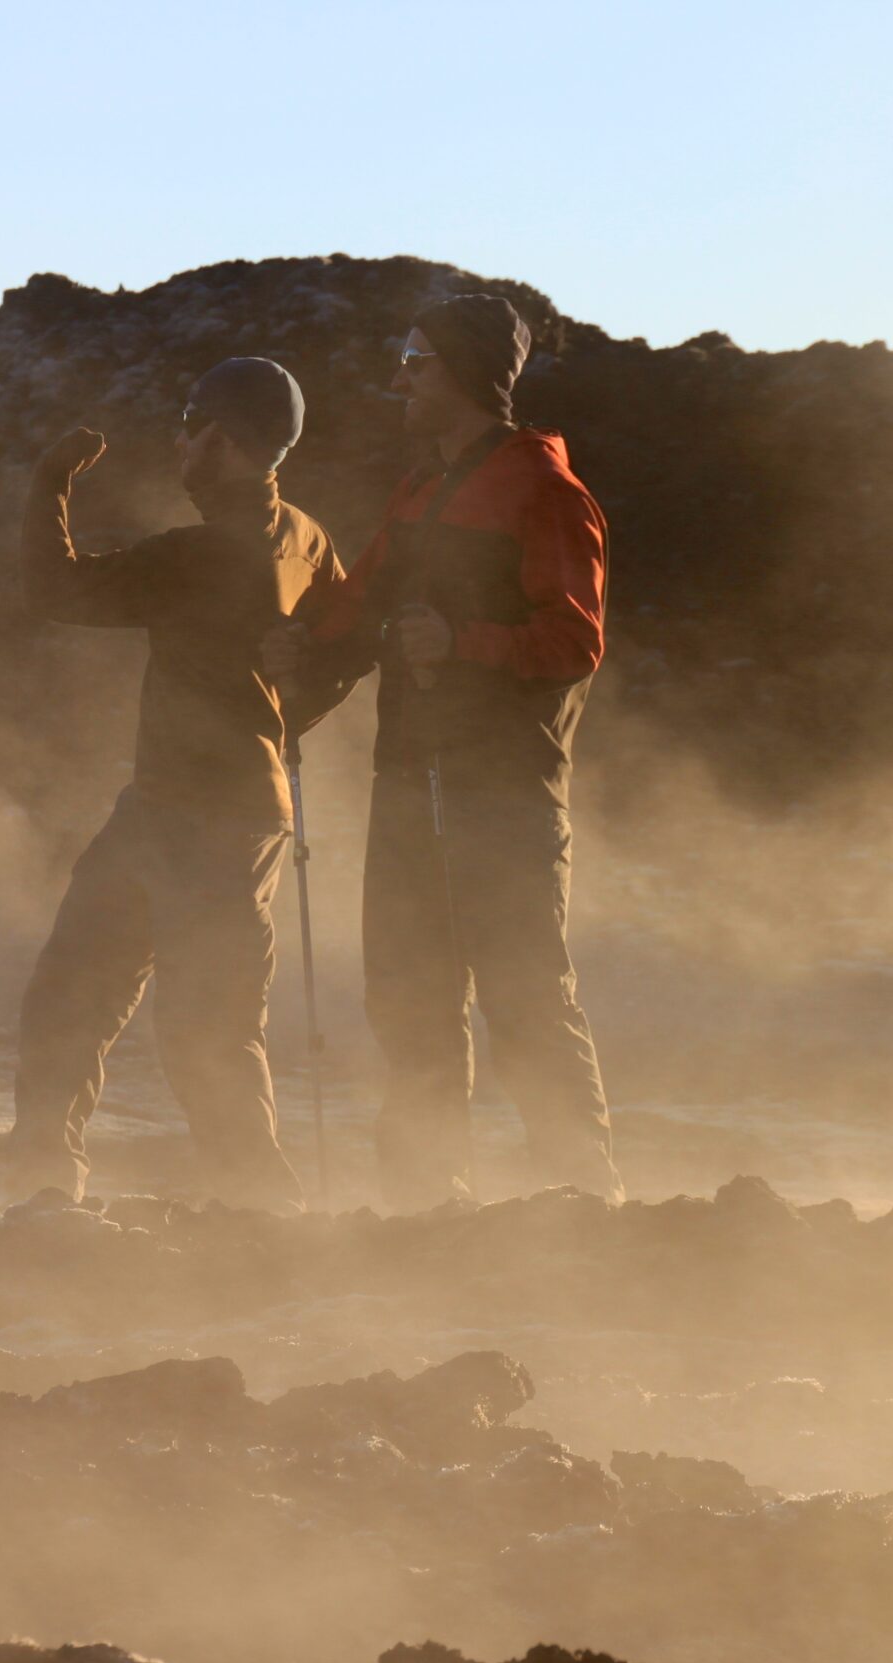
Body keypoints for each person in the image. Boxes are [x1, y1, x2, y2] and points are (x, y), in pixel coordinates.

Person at [263, 295, 624, 1211]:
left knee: (526, 1001)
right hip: (407, 777)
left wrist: (461, 643)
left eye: (415, 361)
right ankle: (429, 1208)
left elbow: (577, 641)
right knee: (409, 999)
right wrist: (297, 646)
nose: (399, 378)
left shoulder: (546, 492)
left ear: (463, 372)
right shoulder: (423, 488)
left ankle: (590, 1211)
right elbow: (360, 598)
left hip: (503, 792)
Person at [4, 357, 350, 1213]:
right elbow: (348, 642)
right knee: (183, 1022)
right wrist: (292, 700)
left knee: (128, 1012)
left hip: (194, 815)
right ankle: (250, 1214)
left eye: (190, 423)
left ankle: (63, 1197)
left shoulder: (196, 553)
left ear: (224, 440)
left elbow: (56, 588)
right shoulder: (307, 534)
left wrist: (50, 482)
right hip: (224, 811)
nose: (178, 441)